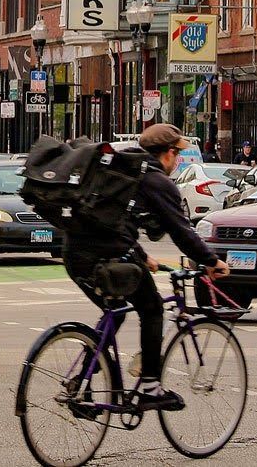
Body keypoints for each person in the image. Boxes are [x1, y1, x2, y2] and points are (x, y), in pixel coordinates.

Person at [60, 123, 230, 412]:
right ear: (166, 153)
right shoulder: (156, 181)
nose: (178, 161)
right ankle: (151, 388)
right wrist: (211, 261)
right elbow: (181, 231)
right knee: (152, 307)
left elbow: (113, 220)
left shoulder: (124, 172)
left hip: (75, 254)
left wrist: (140, 255)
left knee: (114, 312)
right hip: (107, 255)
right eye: (177, 153)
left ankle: (83, 380)